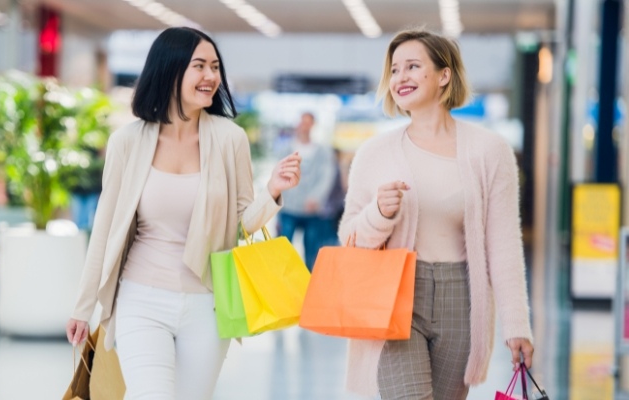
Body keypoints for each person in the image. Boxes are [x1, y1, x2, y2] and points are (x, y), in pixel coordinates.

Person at [65, 27, 301, 399]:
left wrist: (272, 190)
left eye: (215, 67)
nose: (211, 77)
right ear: (170, 70)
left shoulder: (229, 139)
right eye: (200, 66)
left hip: (207, 303)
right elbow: (105, 229)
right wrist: (83, 306)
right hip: (140, 298)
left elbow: (243, 224)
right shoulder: (128, 142)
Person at [338, 28, 534, 399]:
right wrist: (378, 214)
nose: (400, 78)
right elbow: (348, 236)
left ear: (444, 75)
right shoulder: (374, 153)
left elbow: (504, 246)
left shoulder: (490, 152)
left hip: (462, 299)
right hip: (394, 297)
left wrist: (517, 325)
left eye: (413, 66)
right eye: (394, 70)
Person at [276, 112, 336, 271]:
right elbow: (277, 174)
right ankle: (279, 281)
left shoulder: (322, 151)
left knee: (312, 251)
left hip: (312, 211)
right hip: (288, 208)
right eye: (302, 122)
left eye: (308, 122)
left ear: (313, 125)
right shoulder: (286, 149)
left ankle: (309, 283)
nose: (304, 126)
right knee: (282, 249)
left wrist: (316, 198)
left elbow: (326, 176)